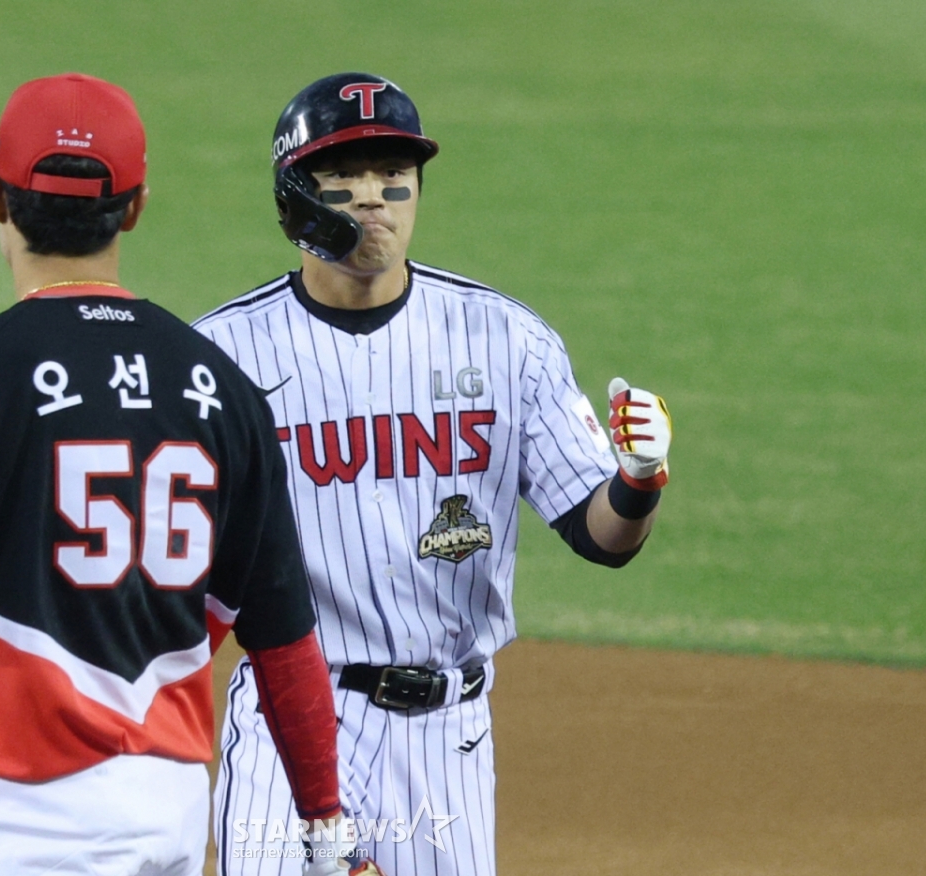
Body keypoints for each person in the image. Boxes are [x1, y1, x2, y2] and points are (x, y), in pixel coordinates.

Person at [0, 73, 371, 876]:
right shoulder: (223, 389)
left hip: (19, 819)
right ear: (135, 206)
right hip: (171, 812)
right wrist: (325, 830)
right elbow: (285, 638)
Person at [193, 72, 674, 876]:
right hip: (291, 722)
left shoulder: (505, 340)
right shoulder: (221, 357)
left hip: (447, 736)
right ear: (295, 199)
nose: (372, 198)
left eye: (394, 177)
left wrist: (639, 479)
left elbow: (603, 539)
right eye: (343, 178)